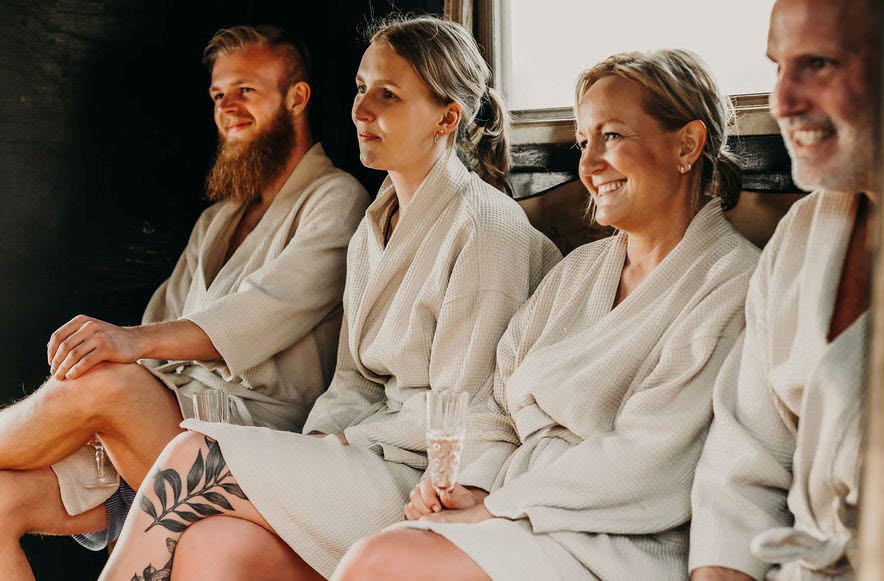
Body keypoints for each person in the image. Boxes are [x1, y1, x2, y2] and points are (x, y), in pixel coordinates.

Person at [98, 16, 561, 581]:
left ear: (447, 117)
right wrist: (318, 444)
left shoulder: (487, 230)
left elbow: (458, 412)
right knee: (213, 543)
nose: (361, 110)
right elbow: (351, 381)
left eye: (387, 95)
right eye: (362, 88)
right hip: (360, 457)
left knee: (193, 457)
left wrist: (344, 441)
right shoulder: (376, 224)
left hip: (426, 480)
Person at [333, 48, 762, 581]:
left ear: (687, 144)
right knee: (376, 551)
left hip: (623, 536)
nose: (589, 164)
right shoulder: (579, 272)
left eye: (613, 136)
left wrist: (496, 506)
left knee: (383, 560)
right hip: (524, 508)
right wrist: (475, 484)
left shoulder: (731, 284)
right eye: (585, 141)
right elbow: (495, 401)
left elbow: (653, 459)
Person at [0, 25, 369, 579]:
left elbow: (264, 311)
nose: (229, 108)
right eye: (219, 95)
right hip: (166, 421)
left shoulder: (337, 200)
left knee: (108, 381)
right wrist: (129, 359)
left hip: (253, 441)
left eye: (246, 90)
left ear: (297, 97)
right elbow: (159, 325)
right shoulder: (218, 219)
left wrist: (127, 346)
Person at [688, 0, 883, 579]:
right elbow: (742, 459)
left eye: (819, 64)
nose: (783, 102)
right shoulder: (803, 232)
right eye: (778, 67)